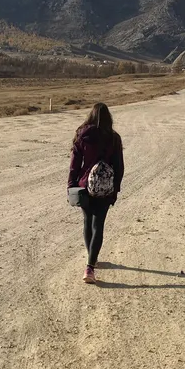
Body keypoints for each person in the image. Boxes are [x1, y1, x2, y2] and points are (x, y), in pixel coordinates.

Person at [68, 102, 124, 284]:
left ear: (90, 115)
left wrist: (71, 185)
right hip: (105, 188)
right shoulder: (114, 138)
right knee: (98, 225)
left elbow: (74, 164)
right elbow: (119, 167)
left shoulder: (82, 134)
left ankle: (91, 259)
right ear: (109, 118)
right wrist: (115, 189)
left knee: (87, 222)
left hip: (84, 185)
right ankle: (90, 266)